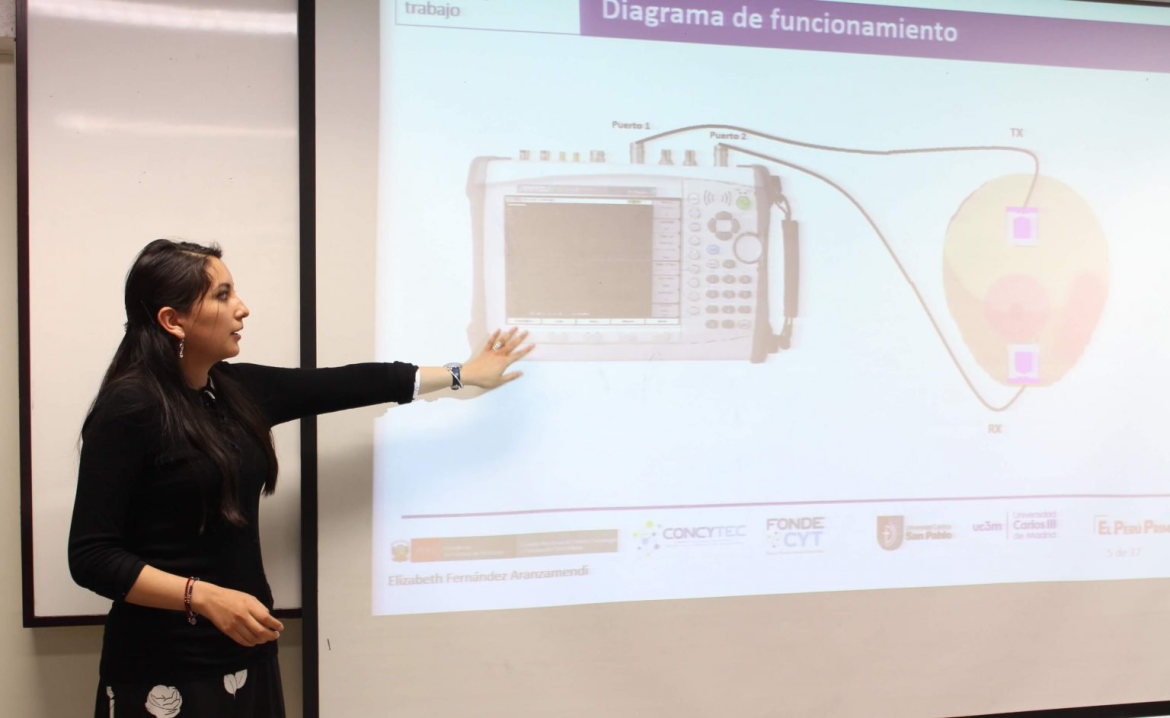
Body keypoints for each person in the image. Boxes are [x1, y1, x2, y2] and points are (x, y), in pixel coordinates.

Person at [68, 239, 531, 717]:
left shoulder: (232, 389)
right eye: (223, 295)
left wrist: (463, 373)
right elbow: (91, 556)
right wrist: (201, 596)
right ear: (173, 320)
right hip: (165, 671)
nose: (242, 308)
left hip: (246, 653)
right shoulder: (130, 408)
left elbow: (351, 383)